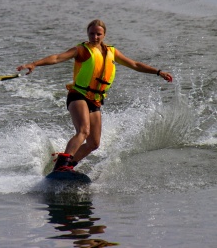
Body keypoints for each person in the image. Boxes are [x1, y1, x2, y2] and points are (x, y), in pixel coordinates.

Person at [17, 19, 173, 172]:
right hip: (78, 95)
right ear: (88, 34)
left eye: (98, 34)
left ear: (104, 35)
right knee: (83, 131)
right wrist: (34, 64)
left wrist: (158, 72)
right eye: (92, 34)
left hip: (96, 100)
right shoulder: (82, 50)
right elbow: (58, 57)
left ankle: (69, 164)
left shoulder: (111, 52)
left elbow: (135, 64)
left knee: (94, 143)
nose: (95, 37)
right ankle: (61, 165)